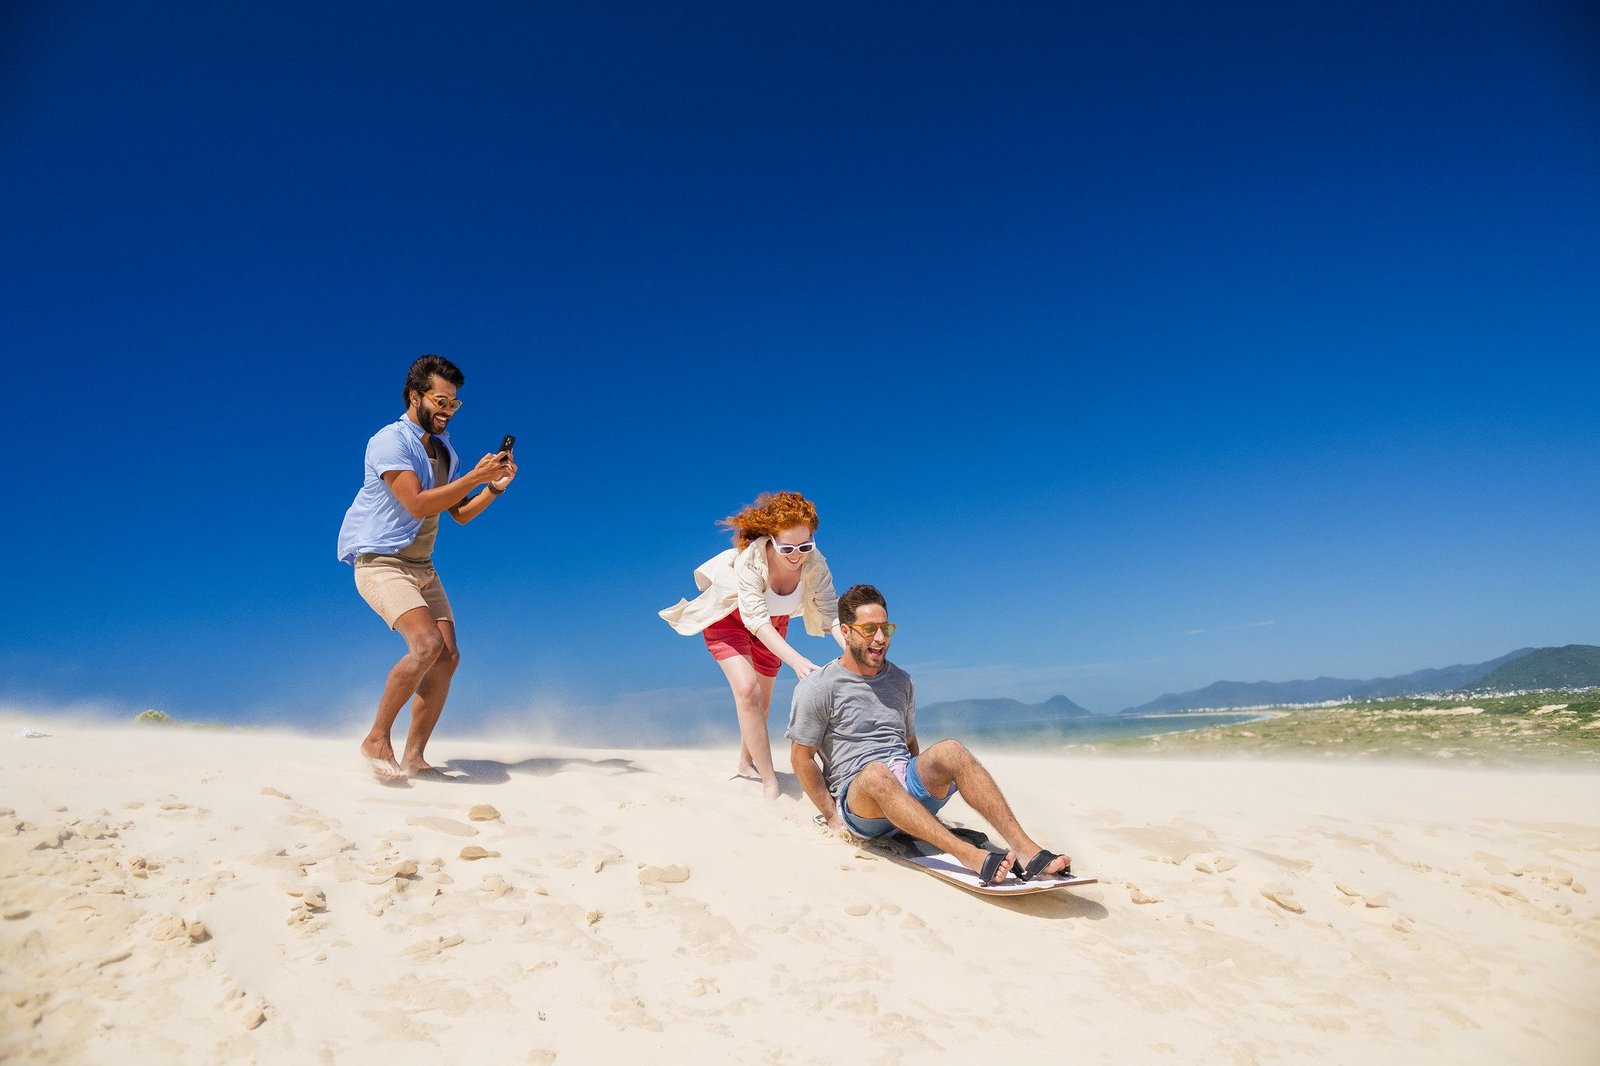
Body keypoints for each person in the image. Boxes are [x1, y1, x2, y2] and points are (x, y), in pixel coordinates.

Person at [788, 584, 1073, 885]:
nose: (881, 638)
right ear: (845, 632)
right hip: (862, 802)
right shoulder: (818, 687)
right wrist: (832, 816)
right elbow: (801, 757)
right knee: (876, 774)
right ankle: (967, 855)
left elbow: (909, 742)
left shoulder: (900, 680)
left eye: (886, 628)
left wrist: (917, 801)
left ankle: (1025, 848)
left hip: (904, 783)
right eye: (869, 629)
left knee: (951, 749)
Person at [336, 354, 516, 781]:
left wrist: (492, 485)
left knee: (448, 656)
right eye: (440, 400)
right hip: (381, 563)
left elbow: (460, 514)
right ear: (415, 396)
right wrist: (474, 476)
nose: (447, 411)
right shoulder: (389, 441)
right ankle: (377, 739)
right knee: (425, 646)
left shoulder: (445, 452)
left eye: (454, 404)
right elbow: (416, 503)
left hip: (422, 566)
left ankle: (415, 758)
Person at [660, 491, 844, 800]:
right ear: (772, 537)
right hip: (730, 619)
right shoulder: (751, 559)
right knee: (748, 692)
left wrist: (851, 648)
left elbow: (830, 613)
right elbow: (755, 620)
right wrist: (796, 660)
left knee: (764, 704)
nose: (796, 554)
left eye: (805, 545)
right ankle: (770, 781)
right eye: (787, 547)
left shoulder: (816, 564)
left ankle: (746, 761)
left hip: (776, 623)